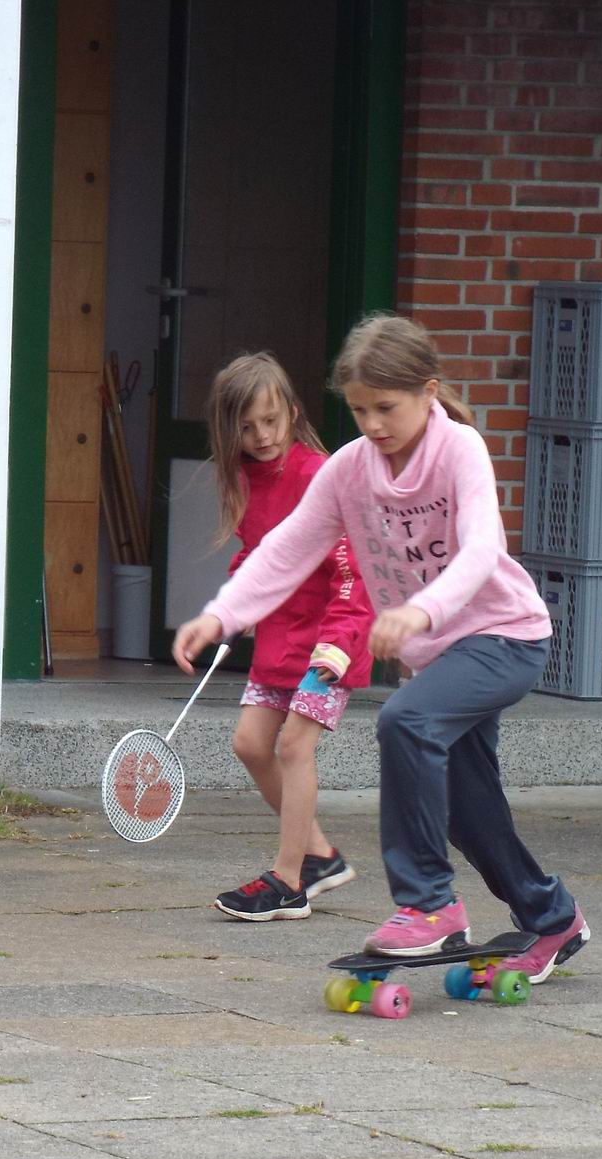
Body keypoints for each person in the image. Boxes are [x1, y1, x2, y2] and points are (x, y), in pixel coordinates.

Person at [175, 314, 587, 979]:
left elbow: (483, 547)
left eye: (386, 408)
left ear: (428, 392)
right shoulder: (348, 470)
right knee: (467, 813)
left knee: (406, 721)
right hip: (444, 656)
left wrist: (422, 610)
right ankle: (551, 916)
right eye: (359, 409)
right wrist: (222, 614)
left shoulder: (459, 450)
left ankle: (428, 905)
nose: (371, 424)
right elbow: (286, 549)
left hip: (504, 636)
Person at [203, 353, 373, 922]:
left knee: (295, 746)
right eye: (247, 427)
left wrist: (340, 641)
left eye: (271, 420)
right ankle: (320, 856)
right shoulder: (246, 480)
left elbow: (353, 568)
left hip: (331, 640)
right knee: (250, 744)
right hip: (281, 639)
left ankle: (289, 879)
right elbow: (258, 556)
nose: (262, 436)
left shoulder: (318, 476)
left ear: (293, 412)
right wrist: (239, 601)